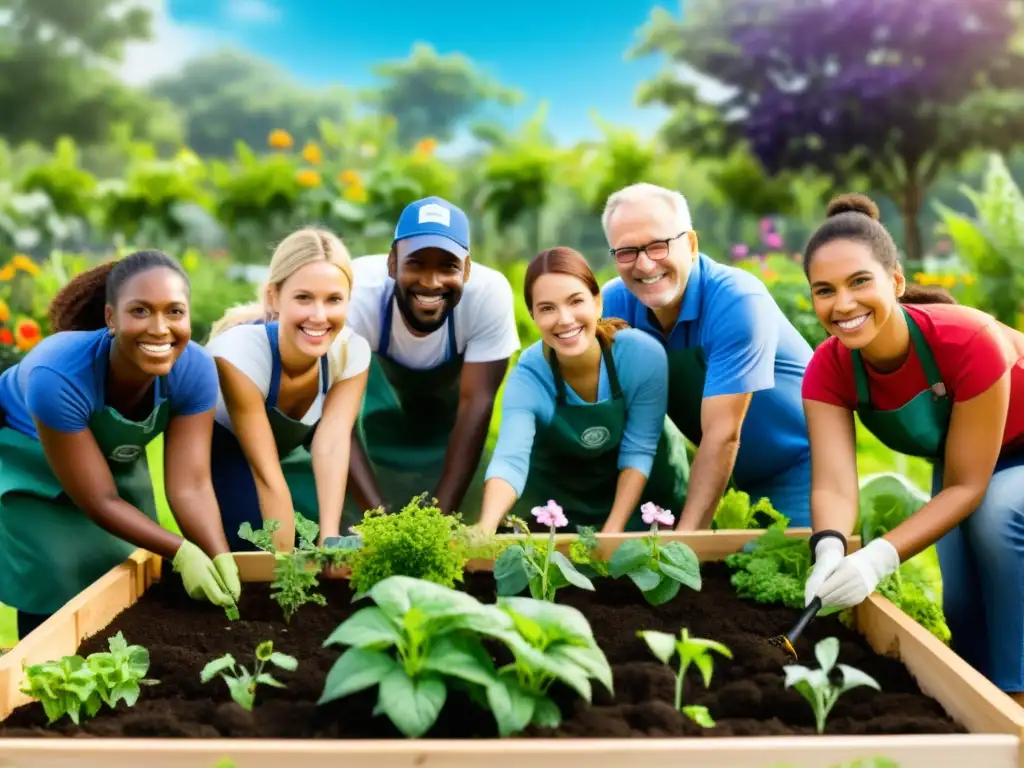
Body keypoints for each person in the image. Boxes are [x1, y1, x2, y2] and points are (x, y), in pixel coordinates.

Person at [801, 193, 1024, 702]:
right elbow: (834, 482)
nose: (844, 304)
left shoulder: (968, 339)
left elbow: (969, 487)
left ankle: (1016, 709)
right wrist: (831, 547)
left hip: (1007, 457)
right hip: (971, 458)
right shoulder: (828, 368)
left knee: (998, 515)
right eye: (824, 290)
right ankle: (977, 705)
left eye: (860, 282)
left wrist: (877, 559)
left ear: (896, 281)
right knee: (965, 607)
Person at [0, 250, 240, 641]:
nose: (160, 328)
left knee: (127, 568)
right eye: (141, 311)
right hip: (31, 456)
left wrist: (218, 554)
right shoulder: (57, 374)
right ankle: (34, 678)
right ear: (111, 318)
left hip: (111, 455)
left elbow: (190, 484)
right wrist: (181, 550)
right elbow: (101, 500)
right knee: (57, 570)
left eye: (174, 312)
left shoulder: (194, 368)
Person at [600, 182, 815, 529]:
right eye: (626, 251)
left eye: (658, 246)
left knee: (786, 576)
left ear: (690, 244)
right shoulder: (614, 307)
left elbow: (722, 433)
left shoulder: (736, 301)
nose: (644, 264)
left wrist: (686, 541)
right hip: (727, 474)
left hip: (801, 465)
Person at [477, 247, 690, 534]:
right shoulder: (529, 376)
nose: (564, 319)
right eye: (547, 308)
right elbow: (510, 459)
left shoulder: (641, 356)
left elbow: (638, 449)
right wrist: (485, 527)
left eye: (575, 301)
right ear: (533, 315)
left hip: (650, 501)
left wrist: (612, 532)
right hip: (567, 509)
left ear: (597, 302)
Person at [344, 196, 520, 525]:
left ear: (467, 269)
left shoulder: (488, 295)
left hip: (457, 434)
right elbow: (338, 421)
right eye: (416, 263)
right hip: (379, 429)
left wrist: (438, 521)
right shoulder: (357, 293)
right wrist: (379, 521)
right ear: (392, 263)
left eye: (447, 266)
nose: (431, 281)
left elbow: (476, 406)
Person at [205, 228, 370, 553]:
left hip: (285, 448)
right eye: (304, 298)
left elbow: (332, 444)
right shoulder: (239, 356)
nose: (319, 315)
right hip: (223, 452)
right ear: (273, 297)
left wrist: (330, 535)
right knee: (256, 547)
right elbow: (266, 475)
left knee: (349, 542)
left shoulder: (352, 352)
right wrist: (285, 567)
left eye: (334, 299)